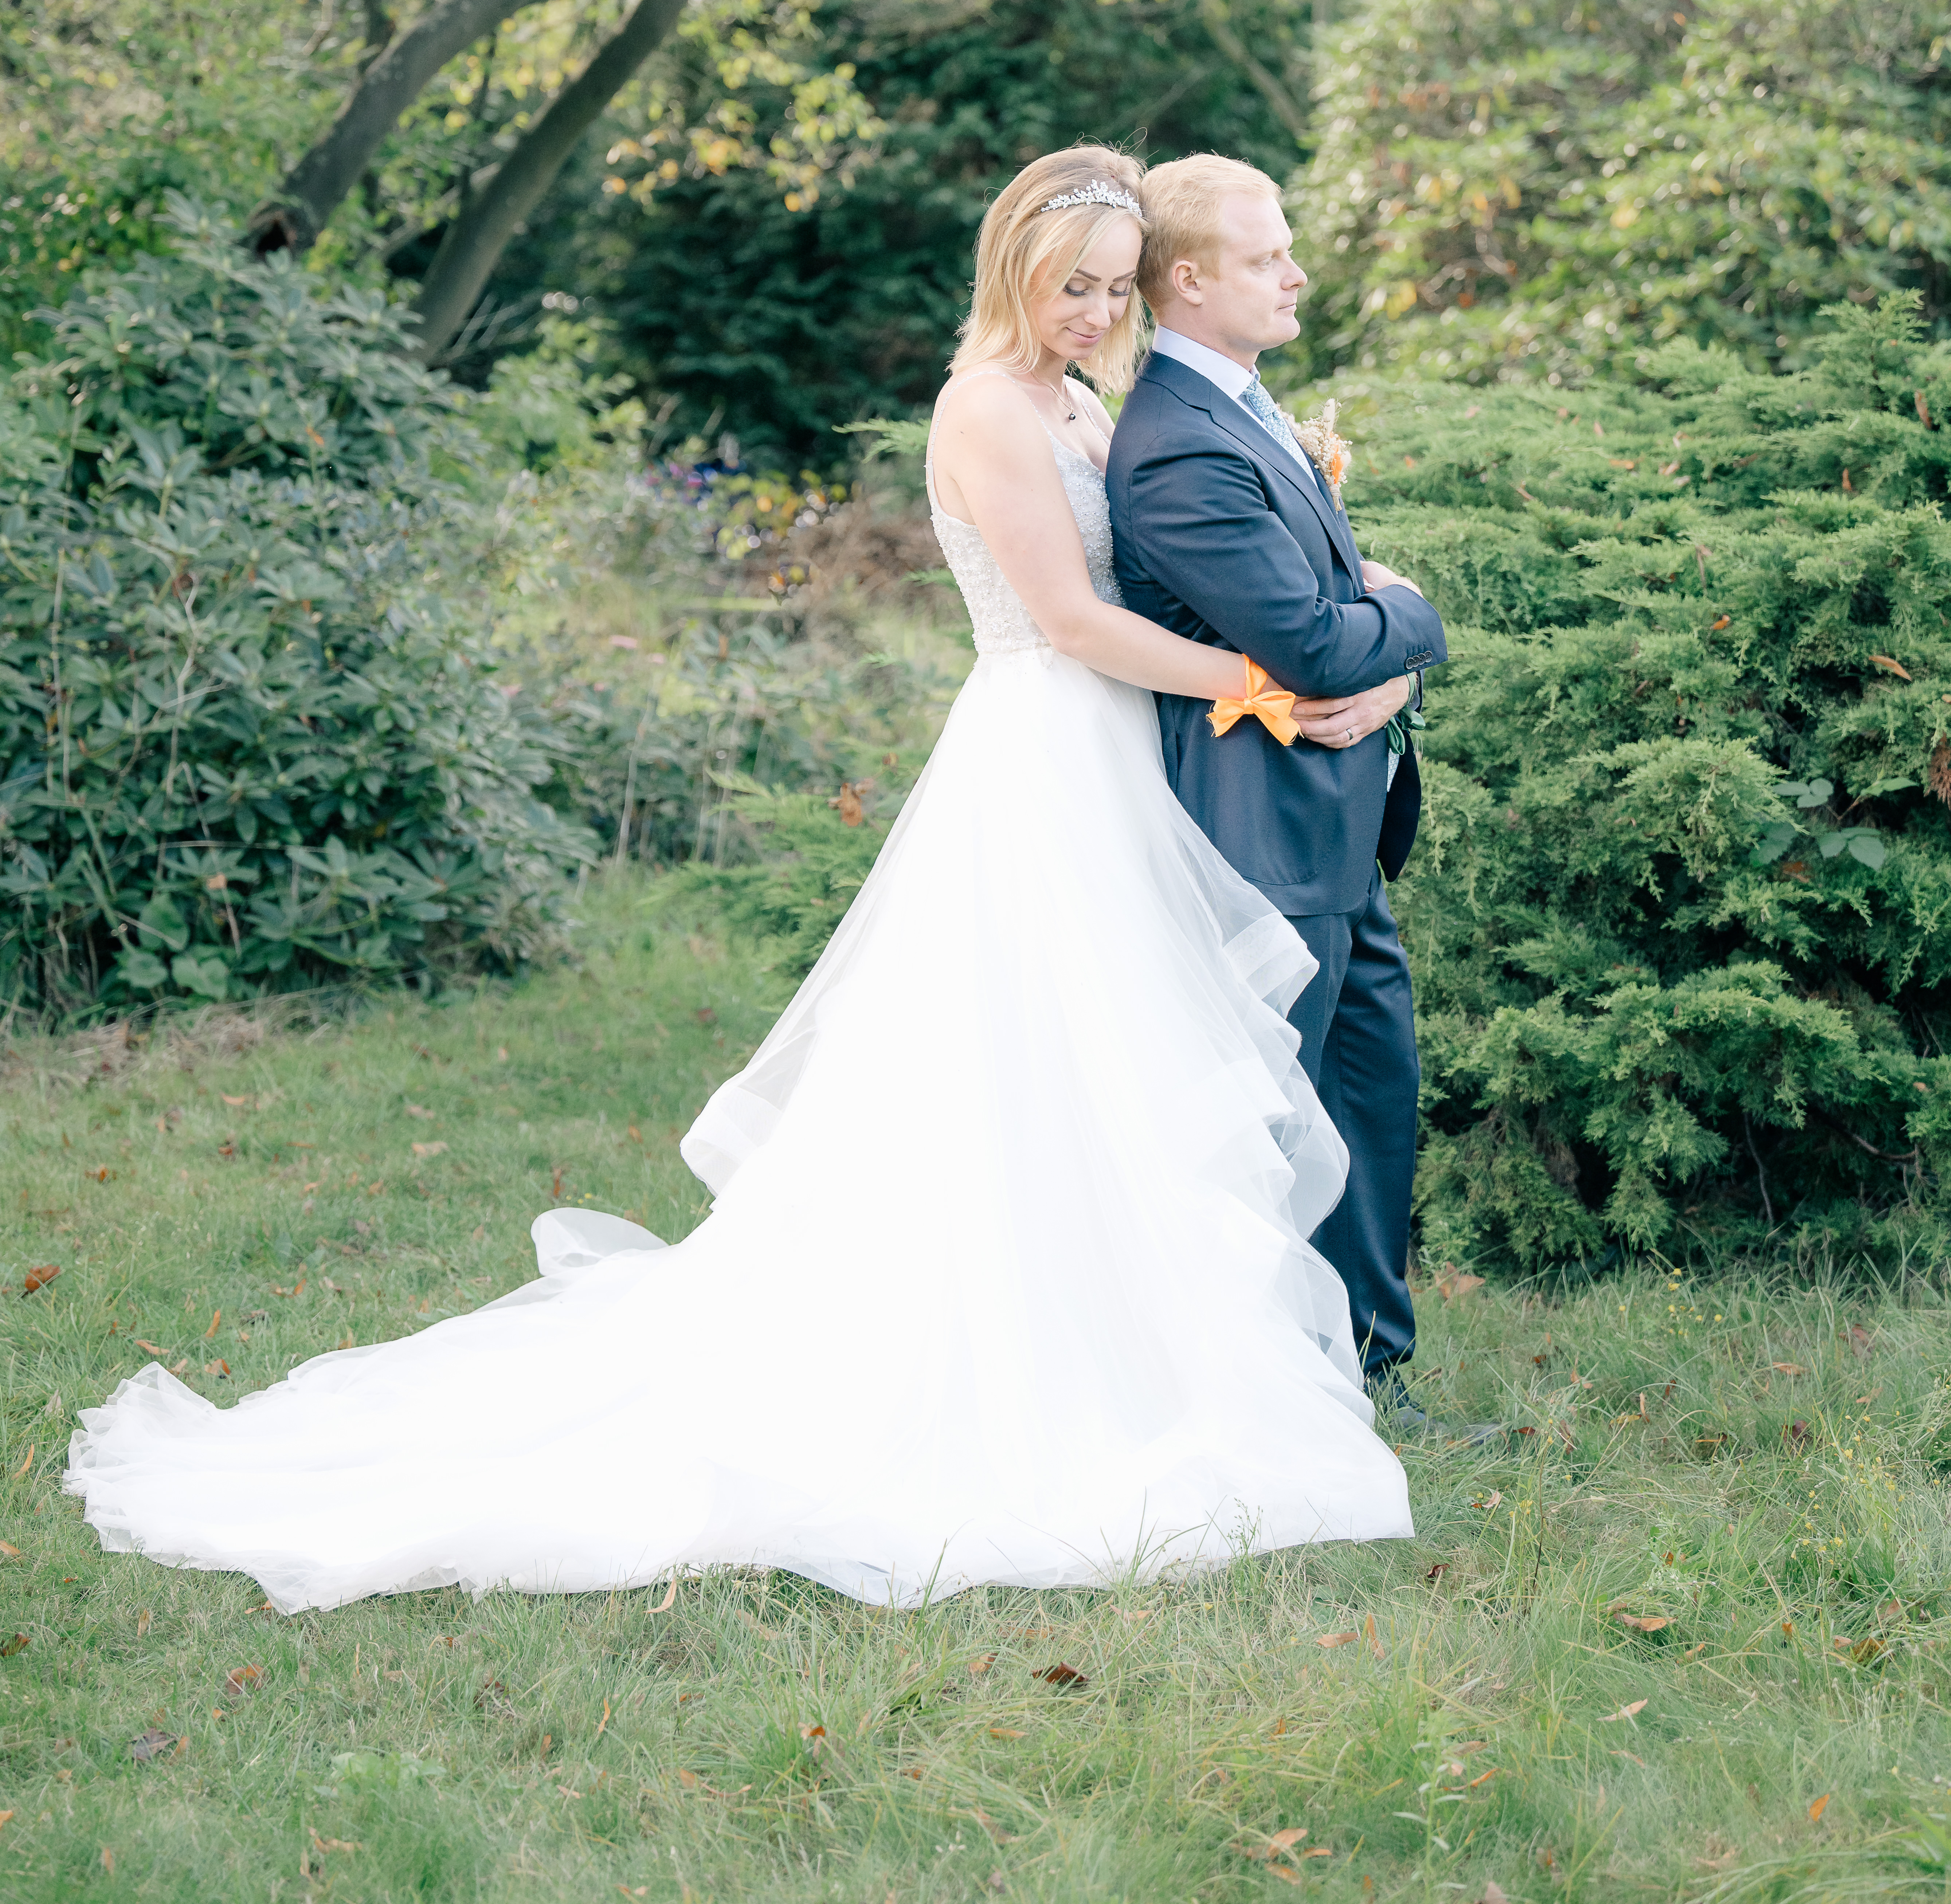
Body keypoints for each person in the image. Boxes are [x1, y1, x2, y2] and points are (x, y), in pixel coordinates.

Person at [67, 145, 1410, 1614]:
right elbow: (1073, 622)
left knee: (1100, 1073)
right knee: (1029, 1061)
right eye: (1070, 285)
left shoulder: (1084, 397)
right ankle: (1003, 1364)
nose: (1093, 310)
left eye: (1108, 287)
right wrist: (1267, 685)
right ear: (1013, 272)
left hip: (1118, 765)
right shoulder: (981, 405)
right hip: (1043, 752)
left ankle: (1129, 1336)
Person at [1106, 154, 1447, 1413]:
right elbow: (1308, 644)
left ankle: (1368, 1375)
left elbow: (1327, 631)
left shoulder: (1244, 407)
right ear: (1186, 282)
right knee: (1270, 1130)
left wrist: (1394, 671)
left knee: (1366, 1102)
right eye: (1265, 257)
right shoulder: (1173, 450)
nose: (1296, 271)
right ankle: (1251, 1398)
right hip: (1259, 834)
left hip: (1336, 830)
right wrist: (1409, 614)